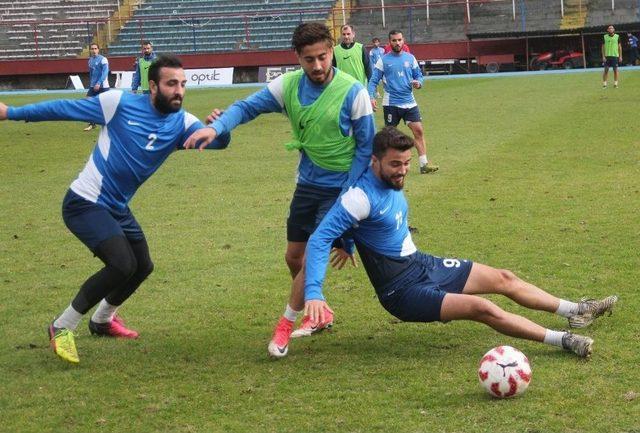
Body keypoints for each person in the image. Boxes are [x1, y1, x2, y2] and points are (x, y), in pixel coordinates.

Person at [302, 126, 618, 359]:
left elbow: (359, 227)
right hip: (401, 290)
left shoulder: (389, 179)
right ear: (374, 162)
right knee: (482, 308)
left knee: (503, 277)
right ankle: (562, 340)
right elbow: (319, 238)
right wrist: (314, 291)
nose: (403, 171)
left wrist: (348, 242)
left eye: (407, 163)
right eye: (395, 165)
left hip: (421, 263)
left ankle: (578, 310)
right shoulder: (359, 197)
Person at [0, 55, 231, 364]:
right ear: (152, 86)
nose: (179, 91)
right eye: (171, 84)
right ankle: (61, 325)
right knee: (122, 264)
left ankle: (103, 320)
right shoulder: (118, 103)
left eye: (183, 84)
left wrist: (221, 129)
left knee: (142, 265)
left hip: (117, 207)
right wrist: (11, 112)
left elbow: (215, 143)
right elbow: (64, 108)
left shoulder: (182, 123)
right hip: (85, 202)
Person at [183, 22, 376, 358]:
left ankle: (285, 325)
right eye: (308, 59)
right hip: (307, 183)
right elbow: (246, 107)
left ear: (332, 51)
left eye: (322, 56)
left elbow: (365, 148)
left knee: (312, 255)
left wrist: (348, 196)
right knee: (293, 257)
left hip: (339, 189)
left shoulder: (353, 92)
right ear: (297, 58)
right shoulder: (287, 86)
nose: (317, 66)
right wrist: (217, 128)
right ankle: (321, 312)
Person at [368, 30, 438, 174]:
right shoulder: (384, 60)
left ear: (403, 40)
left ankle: (424, 164)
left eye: (399, 40)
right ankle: (381, 165)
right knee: (389, 136)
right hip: (391, 103)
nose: (397, 43)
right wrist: (371, 96)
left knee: (418, 130)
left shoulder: (410, 58)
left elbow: (419, 76)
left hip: (409, 102)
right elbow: (373, 80)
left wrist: (418, 83)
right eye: (394, 40)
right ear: (389, 42)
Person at [84, 43, 110, 131]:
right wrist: (92, 83)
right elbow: (91, 73)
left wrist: (99, 83)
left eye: (95, 48)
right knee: (88, 102)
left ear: (98, 50)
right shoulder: (90, 60)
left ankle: (111, 123)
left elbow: (105, 72)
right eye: (92, 49)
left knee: (107, 105)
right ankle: (92, 123)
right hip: (93, 86)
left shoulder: (103, 59)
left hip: (103, 86)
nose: (94, 50)